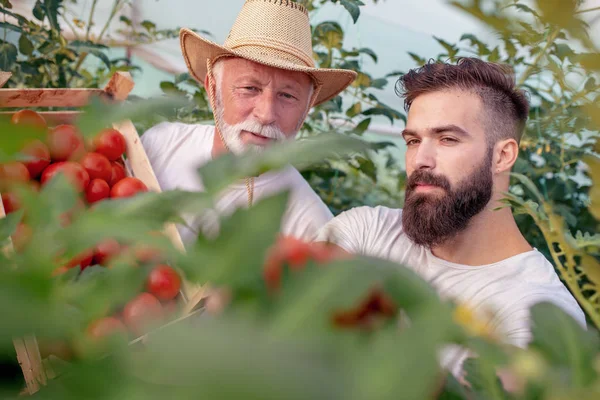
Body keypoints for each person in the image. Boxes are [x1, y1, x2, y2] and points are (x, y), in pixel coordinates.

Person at [313, 57, 586, 376]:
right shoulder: (366, 232)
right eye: (413, 141)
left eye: (448, 139)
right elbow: (286, 315)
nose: (421, 160)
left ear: (502, 155)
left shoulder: (535, 317)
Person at [140, 0, 357, 243]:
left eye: (287, 95)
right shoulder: (159, 144)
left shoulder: (311, 230)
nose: (266, 115)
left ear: (306, 108)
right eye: (250, 88)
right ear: (213, 88)